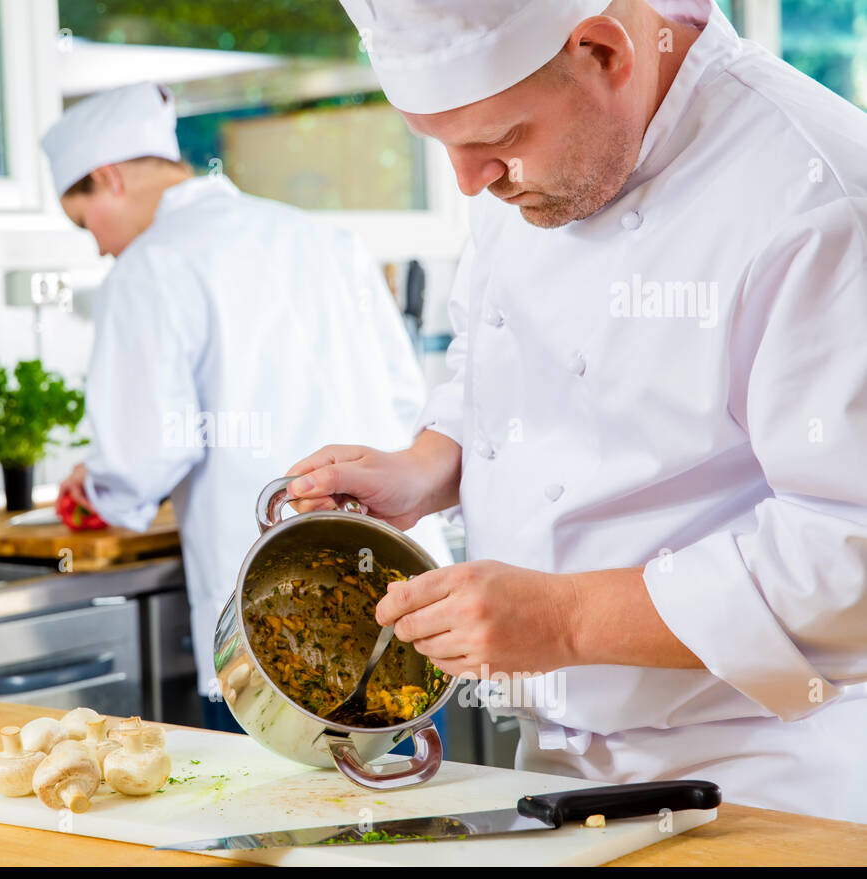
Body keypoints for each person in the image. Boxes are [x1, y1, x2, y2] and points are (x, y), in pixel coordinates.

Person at [287, 0, 867, 821]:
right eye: (444, 147)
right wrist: (426, 465)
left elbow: (850, 554)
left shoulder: (822, 196)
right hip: (554, 771)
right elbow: (494, 362)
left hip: (765, 776)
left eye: (498, 141)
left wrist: (564, 619)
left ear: (601, 50)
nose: (468, 183)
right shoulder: (548, 158)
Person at [42, 83, 430, 730]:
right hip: (395, 585)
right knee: (400, 805)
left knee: (274, 823)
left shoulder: (149, 266)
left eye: (85, 224)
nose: (99, 247)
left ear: (108, 179)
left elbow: (144, 458)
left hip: (271, 621)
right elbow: (404, 398)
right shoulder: (326, 238)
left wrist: (102, 488)